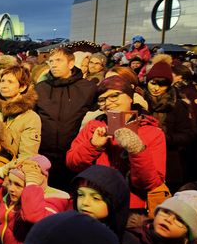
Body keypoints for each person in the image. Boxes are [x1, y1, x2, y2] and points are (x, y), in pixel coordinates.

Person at [66, 76, 166, 216]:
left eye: (114, 96)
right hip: (93, 204)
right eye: (102, 99)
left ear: (131, 98)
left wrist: (137, 151)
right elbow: (72, 162)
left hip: (130, 209)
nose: (108, 103)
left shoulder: (151, 132)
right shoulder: (93, 127)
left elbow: (150, 183)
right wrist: (93, 146)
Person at [0, 156, 68, 244]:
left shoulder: (51, 204)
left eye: (18, 185)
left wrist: (31, 184)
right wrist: (2, 171)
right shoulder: (9, 196)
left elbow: (32, 215)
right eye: (10, 182)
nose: (11, 189)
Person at [35, 47, 97, 189]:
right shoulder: (40, 88)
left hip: (73, 157)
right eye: (50, 61)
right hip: (45, 156)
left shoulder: (88, 89)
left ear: (70, 64)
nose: (53, 64)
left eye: (58, 60)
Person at [144, 55, 197, 191]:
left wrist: (165, 138)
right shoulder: (140, 102)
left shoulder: (178, 105)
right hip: (142, 159)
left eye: (162, 84)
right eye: (153, 83)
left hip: (169, 161)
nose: (156, 88)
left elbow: (188, 134)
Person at [0, 66, 41, 174]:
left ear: (22, 87)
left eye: (10, 82)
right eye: (2, 81)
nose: (4, 85)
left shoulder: (30, 118)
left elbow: (27, 156)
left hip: (8, 174)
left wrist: (2, 171)